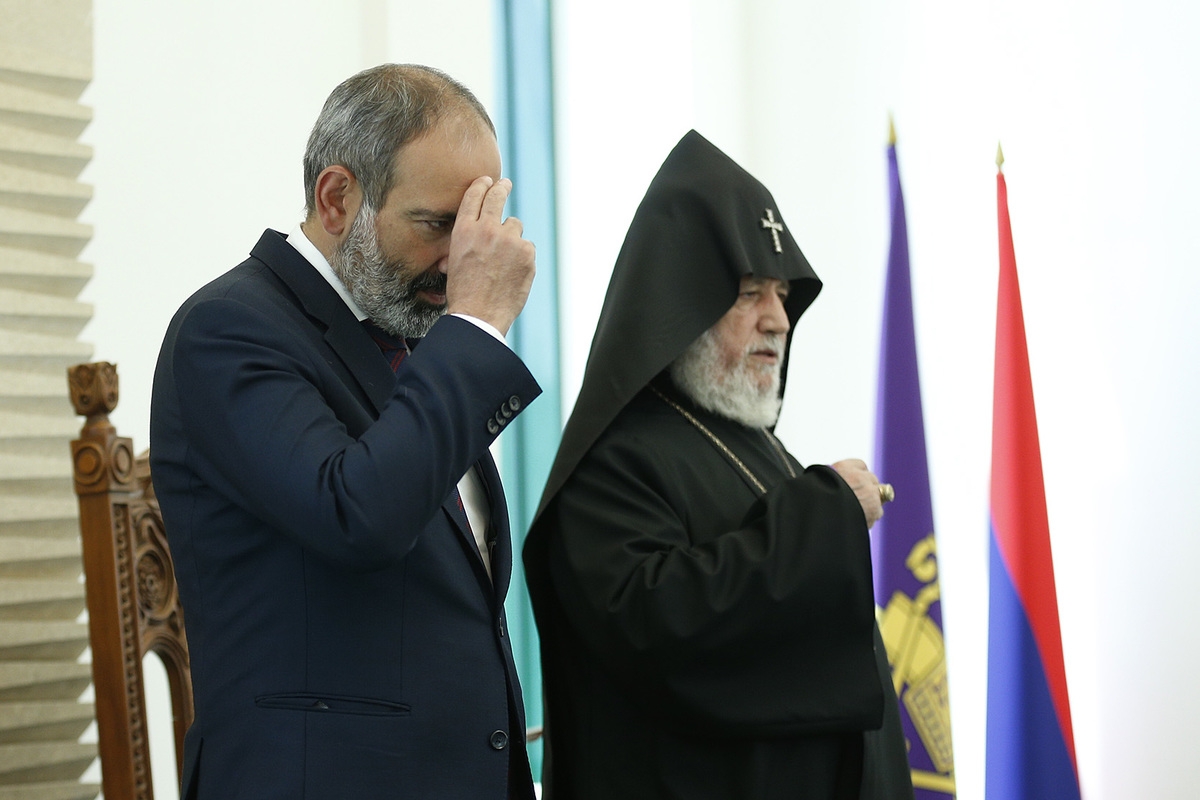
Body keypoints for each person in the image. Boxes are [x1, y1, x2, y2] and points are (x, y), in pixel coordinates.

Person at [150, 64, 540, 800]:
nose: (461, 259)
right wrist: (476, 326)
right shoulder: (229, 329)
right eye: (439, 225)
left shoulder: (411, 339)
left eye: (478, 225)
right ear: (337, 198)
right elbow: (357, 515)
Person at [523, 130, 914, 800]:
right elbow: (658, 630)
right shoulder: (614, 465)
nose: (779, 320)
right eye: (750, 293)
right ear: (681, 306)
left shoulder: (762, 448)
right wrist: (826, 514)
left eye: (782, 294)